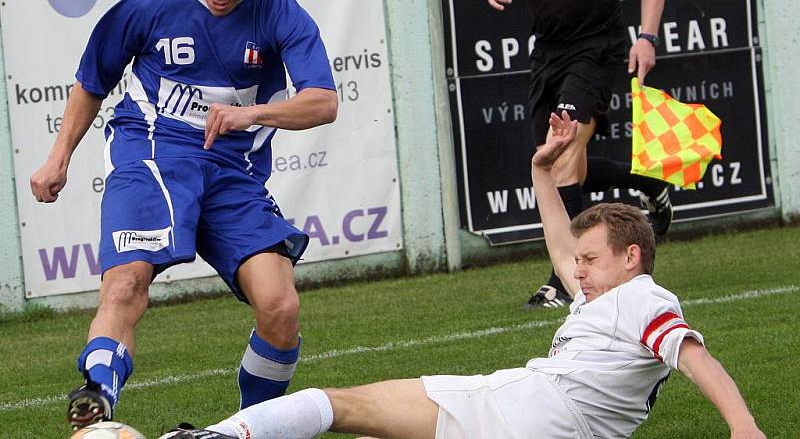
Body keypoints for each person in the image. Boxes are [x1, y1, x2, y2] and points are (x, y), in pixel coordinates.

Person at [154, 113, 766, 439]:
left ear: (632, 256)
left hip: (521, 414)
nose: (575, 270)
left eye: (590, 259)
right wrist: (541, 173)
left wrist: (743, 426)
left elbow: (693, 357)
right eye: (578, 261)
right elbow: (559, 239)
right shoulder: (602, 296)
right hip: (528, 415)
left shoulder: (642, 296)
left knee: (340, 406)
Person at [30, 0, 338, 430]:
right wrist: (58, 159)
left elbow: (323, 101)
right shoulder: (150, 2)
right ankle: (96, 402)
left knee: (281, 306)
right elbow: (91, 81)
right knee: (125, 282)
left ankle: (249, 427)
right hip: (151, 152)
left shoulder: (280, 12)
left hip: (230, 172)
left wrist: (253, 114)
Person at [480, 0, 674, 309]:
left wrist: (645, 39)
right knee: (562, 161)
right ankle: (651, 186)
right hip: (547, 53)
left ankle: (564, 279)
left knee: (561, 158)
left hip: (598, 50)